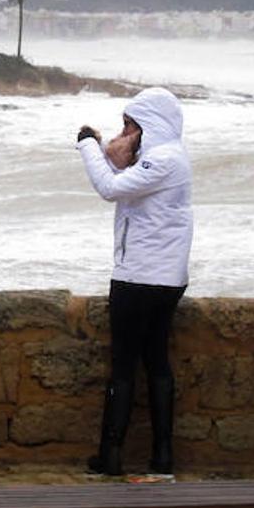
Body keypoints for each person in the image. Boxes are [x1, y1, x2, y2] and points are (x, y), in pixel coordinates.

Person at [76, 86, 192, 479]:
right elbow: (122, 181)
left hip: (139, 277)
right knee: (156, 361)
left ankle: (111, 453)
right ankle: (161, 455)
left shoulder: (163, 160)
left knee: (126, 365)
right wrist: (106, 153)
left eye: (129, 125)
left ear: (149, 125)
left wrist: (88, 146)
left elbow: (109, 188)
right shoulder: (164, 160)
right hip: (165, 277)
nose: (123, 133)